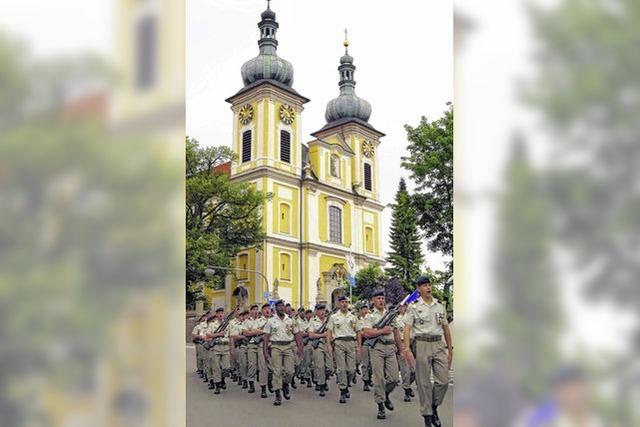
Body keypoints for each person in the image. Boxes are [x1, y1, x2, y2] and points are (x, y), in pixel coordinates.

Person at [402, 276, 453, 427]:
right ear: (418, 289)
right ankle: (427, 416)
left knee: (443, 381)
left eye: (429, 285)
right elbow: (407, 328)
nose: (428, 288)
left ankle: (434, 407)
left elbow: (445, 328)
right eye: (424, 285)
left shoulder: (439, 306)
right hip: (422, 344)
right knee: (424, 383)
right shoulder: (413, 306)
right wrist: (406, 349)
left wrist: (450, 350)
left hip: (438, 344)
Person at [362, 289, 403, 420]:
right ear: (373, 300)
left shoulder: (391, 314)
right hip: (377, 347)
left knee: (394, 378)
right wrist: (381, 331)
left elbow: (396, 332)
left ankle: (385, 395)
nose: (381, 301)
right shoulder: (369, 316)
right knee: (379, 379)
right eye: (378, 298)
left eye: (382, 298)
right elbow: (366, 333)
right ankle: (380, 406)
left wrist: (401, 349)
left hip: (391, 347)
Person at [262, 300, 303, 406]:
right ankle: (277, 395)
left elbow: (297, 334)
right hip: (275, 346)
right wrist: (265, 351)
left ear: (285, 308)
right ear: (275, 308)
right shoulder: (271, 321)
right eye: (278, 306)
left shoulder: (291, 320)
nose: (280, 308)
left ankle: (285, 384)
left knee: (290, 371)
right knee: (277, 371)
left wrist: (300, 348)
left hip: (288, 346)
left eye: (282, 306)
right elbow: (266, 337)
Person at [327, 295, 358, 404]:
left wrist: (358, 344)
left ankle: (347, 385)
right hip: (339, 342)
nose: (344, 304)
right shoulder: (334, 317)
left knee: (351, 369)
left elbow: (357, 331)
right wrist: (329, 345)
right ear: (339, 304)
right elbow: (329, 331)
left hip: (350, 342)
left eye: (346, 302)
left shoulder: (353, 317)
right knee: (341, 369)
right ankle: (343, 390)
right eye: (342, 302)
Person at [242, 303, 270, 398]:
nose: (255, 311)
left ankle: (263, 387)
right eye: (253, 309)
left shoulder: (261, 320)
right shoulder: (247, 321)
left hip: (262, 344)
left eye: (256, 309)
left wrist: (256, 332)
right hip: (251, 344)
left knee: (263, 366)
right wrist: (261, 332)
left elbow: (254, 331)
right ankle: (251, 384)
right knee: (252, 365)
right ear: (250, 311)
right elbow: (246, 332)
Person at [204, 307, 232, 395]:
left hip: (226, 347)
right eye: (219, 313)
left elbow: (231, 337)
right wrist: (218, 334)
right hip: (216, 347)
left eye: (222, 313)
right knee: (216, 367)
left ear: (224, 314)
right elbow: (208, 334)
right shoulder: (212, 324)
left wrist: (232, 348)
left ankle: (223, 379)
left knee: (226, 367)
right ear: (216, 314)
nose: (220, 314)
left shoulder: (228, 324)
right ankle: (217, 386)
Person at [307, 303, 333, 397]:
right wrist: (323, 335)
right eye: (320, 310)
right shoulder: (313, 321)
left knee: (330, 367)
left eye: (323, 310)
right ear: (316, 311)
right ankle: (322, 385)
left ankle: (323, 379)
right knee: (320, 366)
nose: (322, 312)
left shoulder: (329, 320)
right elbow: (311, 335)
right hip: (318, 345)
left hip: (328, 344)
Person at [397, 302, 416, 402]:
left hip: (413, 344)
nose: (404, 308)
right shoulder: (397, 319)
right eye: (402, 306)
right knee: (405, 370)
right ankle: (406, 390)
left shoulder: (413, 317)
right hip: (402, 344)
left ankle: (408, 386)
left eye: (405, 306)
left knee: (415, 370)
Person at [229, 310, 249, 390]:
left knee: (247, 364)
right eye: (243, 315)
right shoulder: (236, 324)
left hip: (250, 345)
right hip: (240, 345)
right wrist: (243, 336)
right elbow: (233, 336)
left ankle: (244, 376)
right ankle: (242, 378)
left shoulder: (250, 323)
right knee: (241, 363)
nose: (245, 317)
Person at [356, 304, 372, 391]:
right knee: (365, 362)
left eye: (366, 309)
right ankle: (365, 381)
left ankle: (369, 377)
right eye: (363, 309)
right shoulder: (357, 320)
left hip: (373, 341)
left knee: (373, 363)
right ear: (360, 311)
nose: (365, 311)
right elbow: (357, 331)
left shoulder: (371, 318)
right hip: (364, 342)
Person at [191, 312, 209, 378]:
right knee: (200, 357)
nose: (205, 319)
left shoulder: (211, 325)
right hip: (200, 343)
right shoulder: (198, 327)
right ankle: (201, 369)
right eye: (203, 319)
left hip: (208, 343)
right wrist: (199, 336)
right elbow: (193, 335)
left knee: (206, 358)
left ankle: (206, 371)